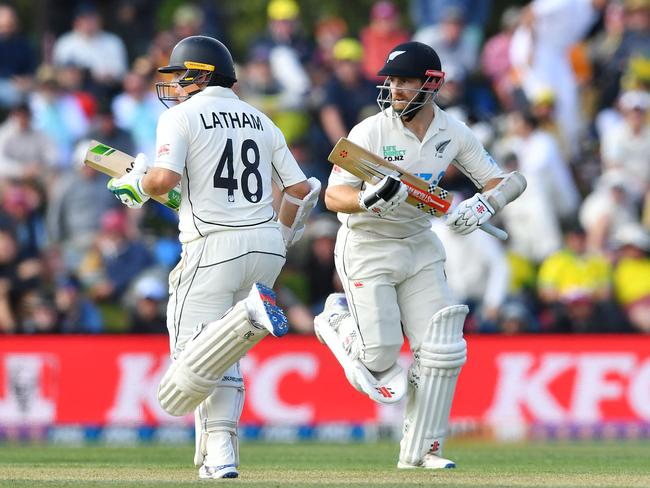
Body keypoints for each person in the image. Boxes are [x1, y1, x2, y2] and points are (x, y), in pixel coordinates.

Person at [106, 36, 318, 479]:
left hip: (212, 248)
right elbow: (299, 190)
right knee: (221, 354)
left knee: (191, 359)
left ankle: (220, 446)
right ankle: (217, 454)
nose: (175, 87)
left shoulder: (182, 117)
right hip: (265, 247)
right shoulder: (262, 118)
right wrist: (281, 236)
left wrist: (134, 186)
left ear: (202, 75)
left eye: (181, 76)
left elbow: (162, 179)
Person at [315, 41, 525, 470]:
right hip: (367, 244)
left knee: (441, 349)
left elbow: (505, 180)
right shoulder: (370, 131)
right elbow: (334, 196)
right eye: (391, 81)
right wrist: (369, 199)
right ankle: (337, 320)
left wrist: (483, 205)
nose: (394, 90)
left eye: (405, 82)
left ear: (432, 85)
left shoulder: (453, 131)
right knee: (380, 358)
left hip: (419, 243)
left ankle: (422, 451)